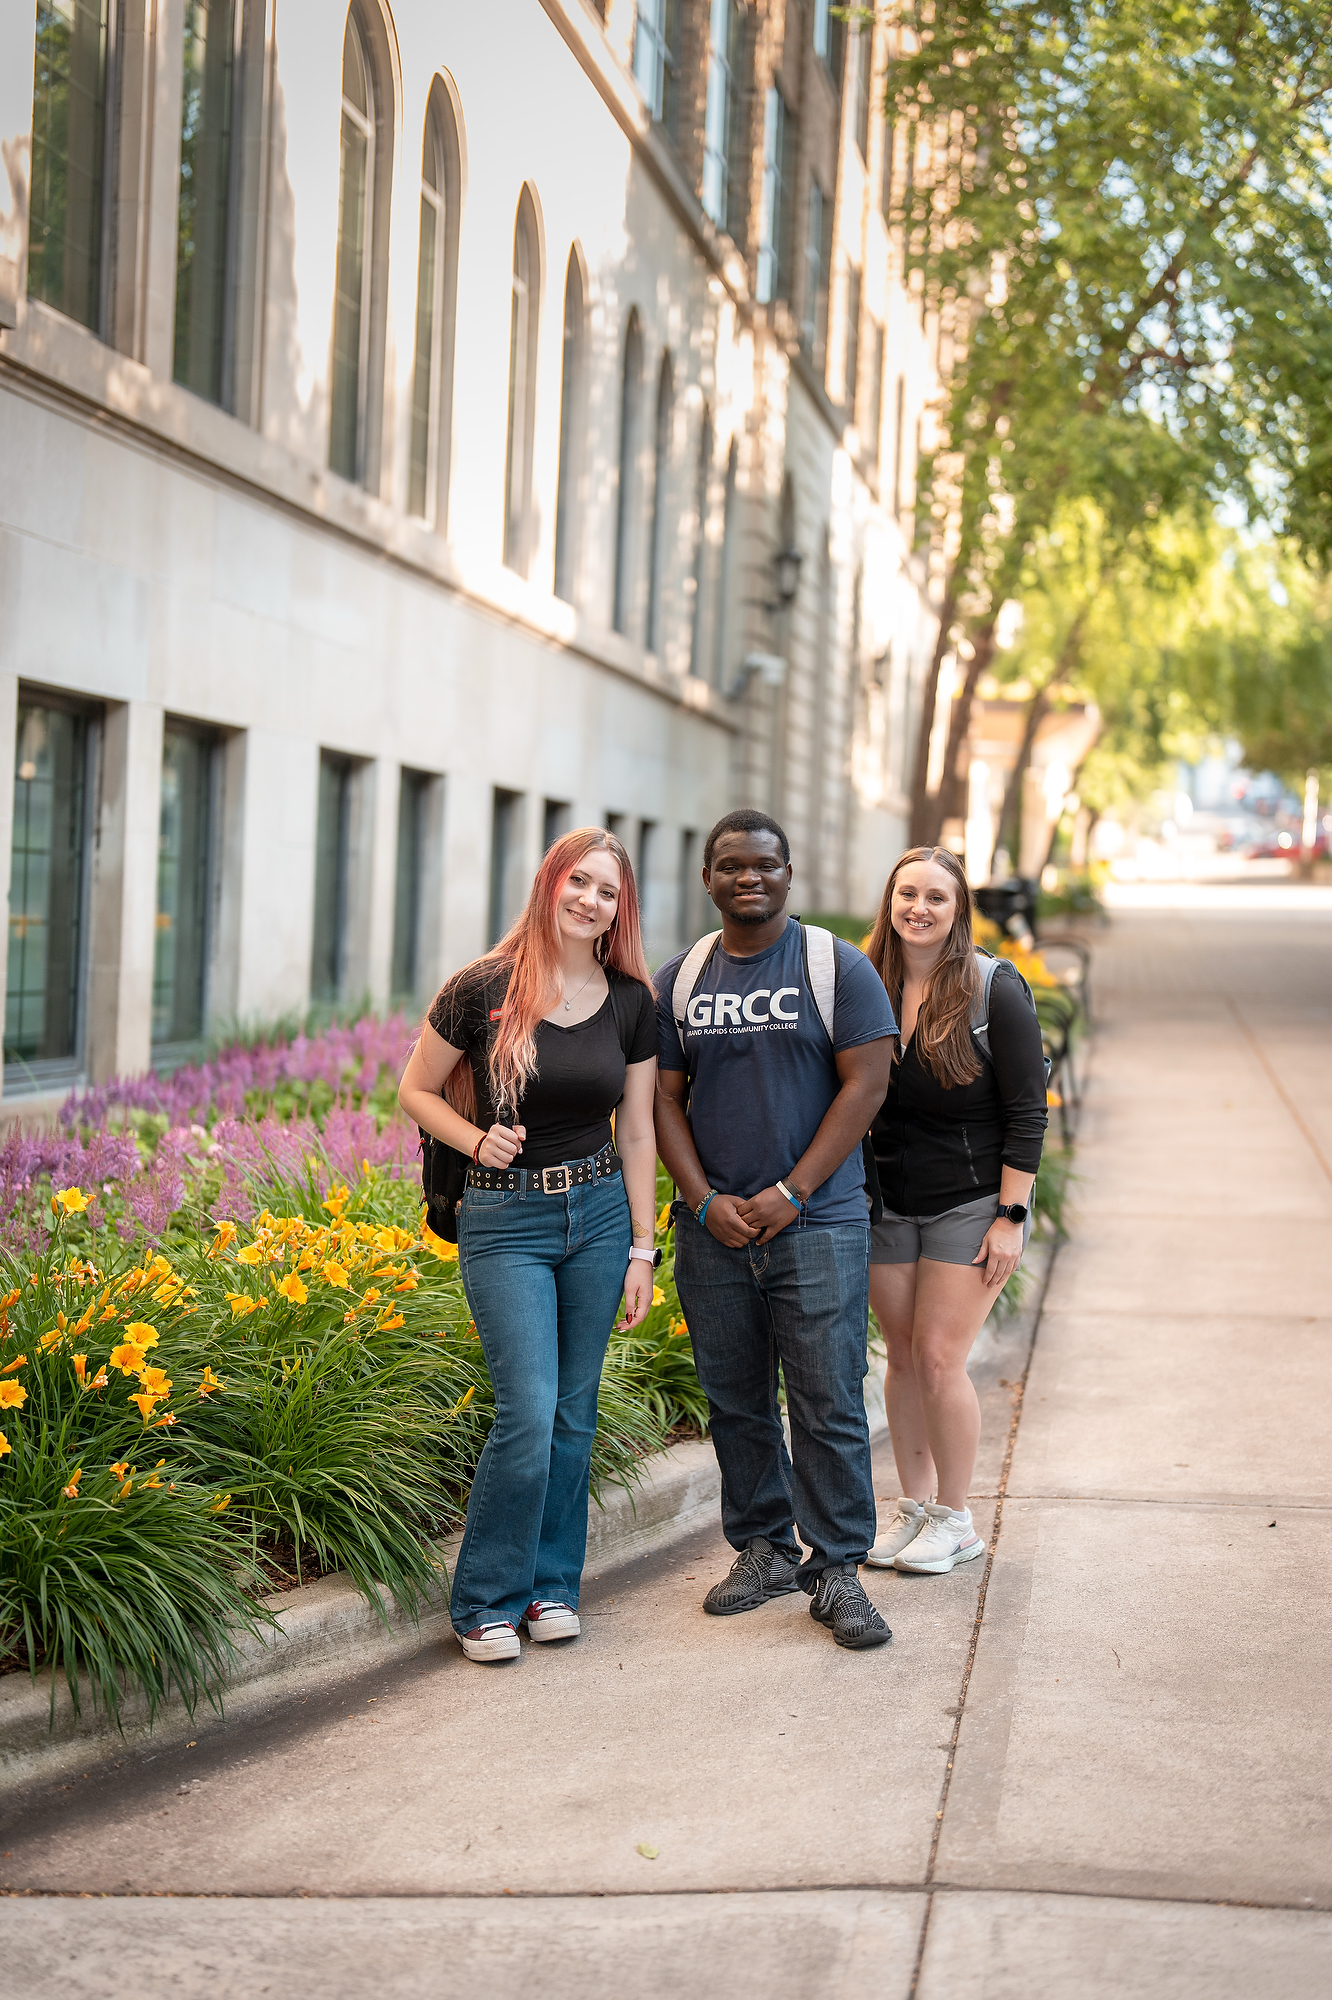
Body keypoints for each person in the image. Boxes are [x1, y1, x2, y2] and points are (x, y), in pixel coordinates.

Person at [399, 828, 658, 1663]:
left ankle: (551, 1587)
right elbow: (415, 1089)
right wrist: (475, 1144)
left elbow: (642, 1131)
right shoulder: (482, 989)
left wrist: (644, 1250)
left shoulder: (629, 1001)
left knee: (575, 1414)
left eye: (607, 891)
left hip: (600, 1216)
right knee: (528, 1408)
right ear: (551, 884)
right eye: (577, 881)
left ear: (622, 909)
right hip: (504, 1219)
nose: (590, 900)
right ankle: (485, 1601)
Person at [653, 809, 897, 1650]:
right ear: (710, 878)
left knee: (827, 1399)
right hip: (715, 1231)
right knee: (736, 1399)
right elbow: (662, 1100)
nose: (746, 876)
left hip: (817, 1224)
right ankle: (761, 1547)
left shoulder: (837, 967)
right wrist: (700, 1199)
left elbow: (866, 1086)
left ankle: (836, 1570)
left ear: (788, 874)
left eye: (763, 864)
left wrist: (793, 1191)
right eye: (730, 865)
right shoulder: (680, 978)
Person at [862, 846, 1047, 1576]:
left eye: (937, 897)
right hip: (885, 1203)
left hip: (969, 1204)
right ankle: (915, 1509)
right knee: (901, 1358)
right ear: (890, 901)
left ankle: (959, 1520)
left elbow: (1028, 1112)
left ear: (958, 909)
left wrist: (1012, 1215)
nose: (919, 908)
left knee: (940, 1359)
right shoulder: (862, 981)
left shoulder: (992, 988)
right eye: (907, 893)